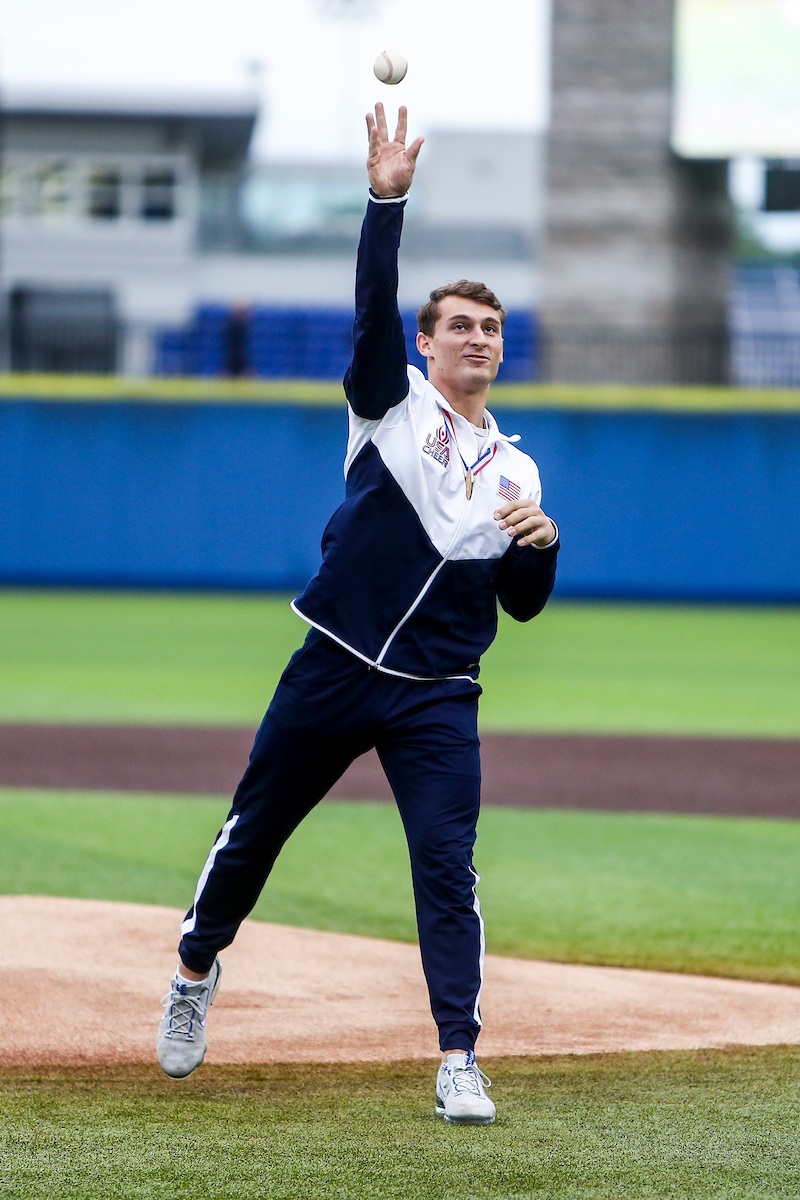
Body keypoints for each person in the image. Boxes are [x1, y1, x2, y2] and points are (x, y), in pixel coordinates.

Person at [157, 104, 559, 1126]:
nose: (476, 338)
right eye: (458, 326)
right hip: (334, 664)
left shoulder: (518, 469)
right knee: (252, 836)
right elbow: (369, 308)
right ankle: (197, 965)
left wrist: (542, 551)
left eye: (490, 328)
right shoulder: (389, 406)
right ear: (424, 347)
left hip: (436, 693)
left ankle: (458, 1056)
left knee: (446, 868)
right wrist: (387, 202)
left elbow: (517, 609)